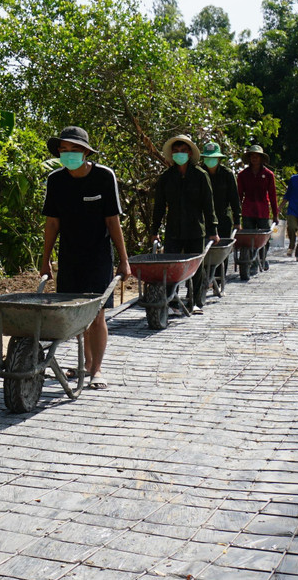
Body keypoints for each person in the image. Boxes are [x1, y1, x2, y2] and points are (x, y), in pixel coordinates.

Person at [40, 126, 131, 388]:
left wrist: (124, 260)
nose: (68, 155)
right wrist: (45, 258)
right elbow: (52, 223)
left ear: (86, 152)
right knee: (76, 316)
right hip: (69, 256)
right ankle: (84, 363)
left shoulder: (104, 177)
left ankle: (97, 370)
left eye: (74, 150)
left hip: (98, 256)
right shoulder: (56, 180)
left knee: (97, 314)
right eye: (64, 150)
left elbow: (113, 221)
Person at [150, 135, 218, 312]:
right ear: (172, 154)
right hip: (173, 229)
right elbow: (159, 206)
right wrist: (154, 230)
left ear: (189, 153)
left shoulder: (200, 176)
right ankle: (172, 301)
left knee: (195, 267)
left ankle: (194, 301)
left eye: (183, 151)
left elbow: (208, 205)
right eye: (176, 151)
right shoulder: (166, 178)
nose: (179, 154)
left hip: (196, 229)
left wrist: (213, 230)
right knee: (171, 267)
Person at [236, 144, 280, 268]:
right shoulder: (243, 175)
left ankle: (263, 257)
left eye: (257, 156)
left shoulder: (268, 174)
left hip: (263, 210)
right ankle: (251, 260)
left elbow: (272, 195)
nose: (254, 159)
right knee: (248, 238)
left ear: (261, 158)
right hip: (248, 210)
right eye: (252, 156)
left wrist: (275, 215)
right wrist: (237, 213)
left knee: (264, 237)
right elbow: (239, 195)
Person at [200, 142, 241, 238]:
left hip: (223, 219)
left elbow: (234, 198)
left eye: (213, 158)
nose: (210, 160)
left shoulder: (227, 174)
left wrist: (237, 221)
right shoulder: (199, 174)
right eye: (208, 158)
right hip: (204, 220)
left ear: (219, 159)